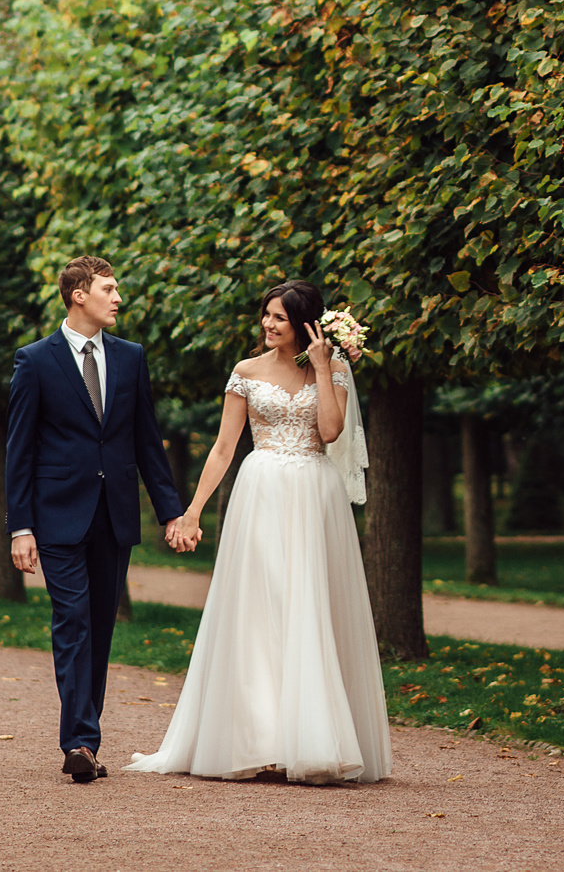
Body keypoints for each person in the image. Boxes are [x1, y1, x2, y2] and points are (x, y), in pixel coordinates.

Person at [125, 278, 391, 784]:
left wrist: (321, 367)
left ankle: (311, 739)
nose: (269, 325)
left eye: (280, 318)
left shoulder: (332, 369)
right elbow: (224, 448)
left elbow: (331, 432)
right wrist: (192, 511)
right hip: (261, 491)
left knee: (308, 606)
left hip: (315, 493)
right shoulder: (245, 372)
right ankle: (259, 738)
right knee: (260, 607)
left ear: (305, 324)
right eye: (266, 315)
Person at [5, 255, 186, 783]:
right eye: (109, 289)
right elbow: (19, 450)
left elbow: (147, 440)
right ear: (78, 294)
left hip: (114, 516)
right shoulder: (35, 360)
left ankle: (85, 736)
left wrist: (170, 510)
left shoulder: (131, 358)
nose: (118, 298)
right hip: (57, 517)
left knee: (101, 628)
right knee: (73, 621)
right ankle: (79, 741)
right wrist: (21, 526)